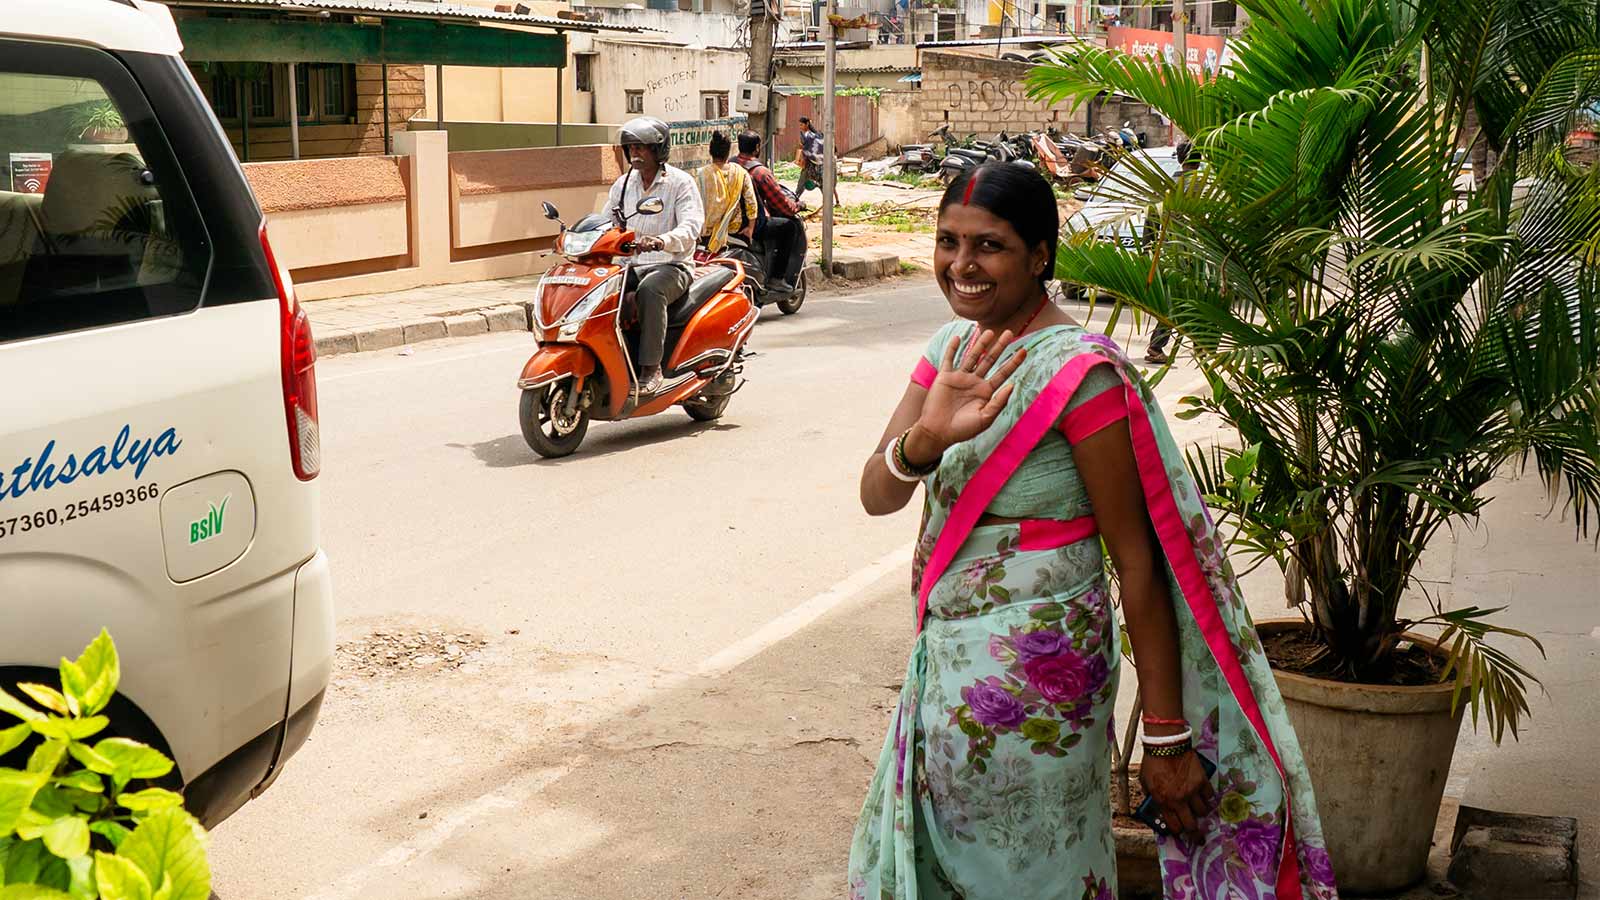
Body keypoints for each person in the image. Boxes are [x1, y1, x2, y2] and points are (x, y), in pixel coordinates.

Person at [847, 162, 1336, 900]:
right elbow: (876, 496)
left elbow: (1137, 563)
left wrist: (1166, 735)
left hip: (1040, 680)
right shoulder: (951, 350)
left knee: (1033, 866)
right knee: (947, 855)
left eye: (990, 245)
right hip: (944, 661)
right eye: (948, 241)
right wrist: (926, 439)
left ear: (1040, 255)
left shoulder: (1083, 375)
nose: (961, 265)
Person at [603, 116, 704, 395]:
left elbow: (691, 226)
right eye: (631, 147)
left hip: (671, 265)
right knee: (599, 292)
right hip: (630, 266)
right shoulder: (623, 185)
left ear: (658, 150)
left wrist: (661, 241)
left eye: (641, 147)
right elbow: (605, 221)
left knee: (650, 290)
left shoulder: (680, 183)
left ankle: (650, 367)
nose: (634, 153)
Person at [1144, 139, 1201, 365]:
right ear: (1200, 159)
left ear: (1179, 159)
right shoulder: (1204, 185)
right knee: (1200, 297)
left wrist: (1147, 247)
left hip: (1169, 251)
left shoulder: (1166, 186)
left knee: (1171, 301)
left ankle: (1157, 346)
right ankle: (1202, 345)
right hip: (1197, 252)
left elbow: (1151, 221)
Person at [735, 131, 805, 297]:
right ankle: (777, 278)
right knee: (789, 227)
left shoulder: (730, 165)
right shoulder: (760, 173)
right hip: (750, 225)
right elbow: (782, 204)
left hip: (727, 224)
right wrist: (797, 206)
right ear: (757, 147)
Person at [695, 131, 758, 253]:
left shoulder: (702, 175)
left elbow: (693, 205)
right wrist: (750, 229)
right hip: (733, 231)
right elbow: (751, 203)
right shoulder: (740, 172)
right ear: (728, 152)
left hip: (705, 233)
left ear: (710, 152)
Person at [794, 115, 825, 200]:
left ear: (807, 124)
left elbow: (809, 150)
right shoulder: (814, 134)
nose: (800, 127)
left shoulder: (809, 135)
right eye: (799, 125)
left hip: (809, 164)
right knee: (821, 183)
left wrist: (803, 150)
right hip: (816, 163)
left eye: (801, 125)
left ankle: (795, 199)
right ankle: (828, 201)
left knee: (802, 183)